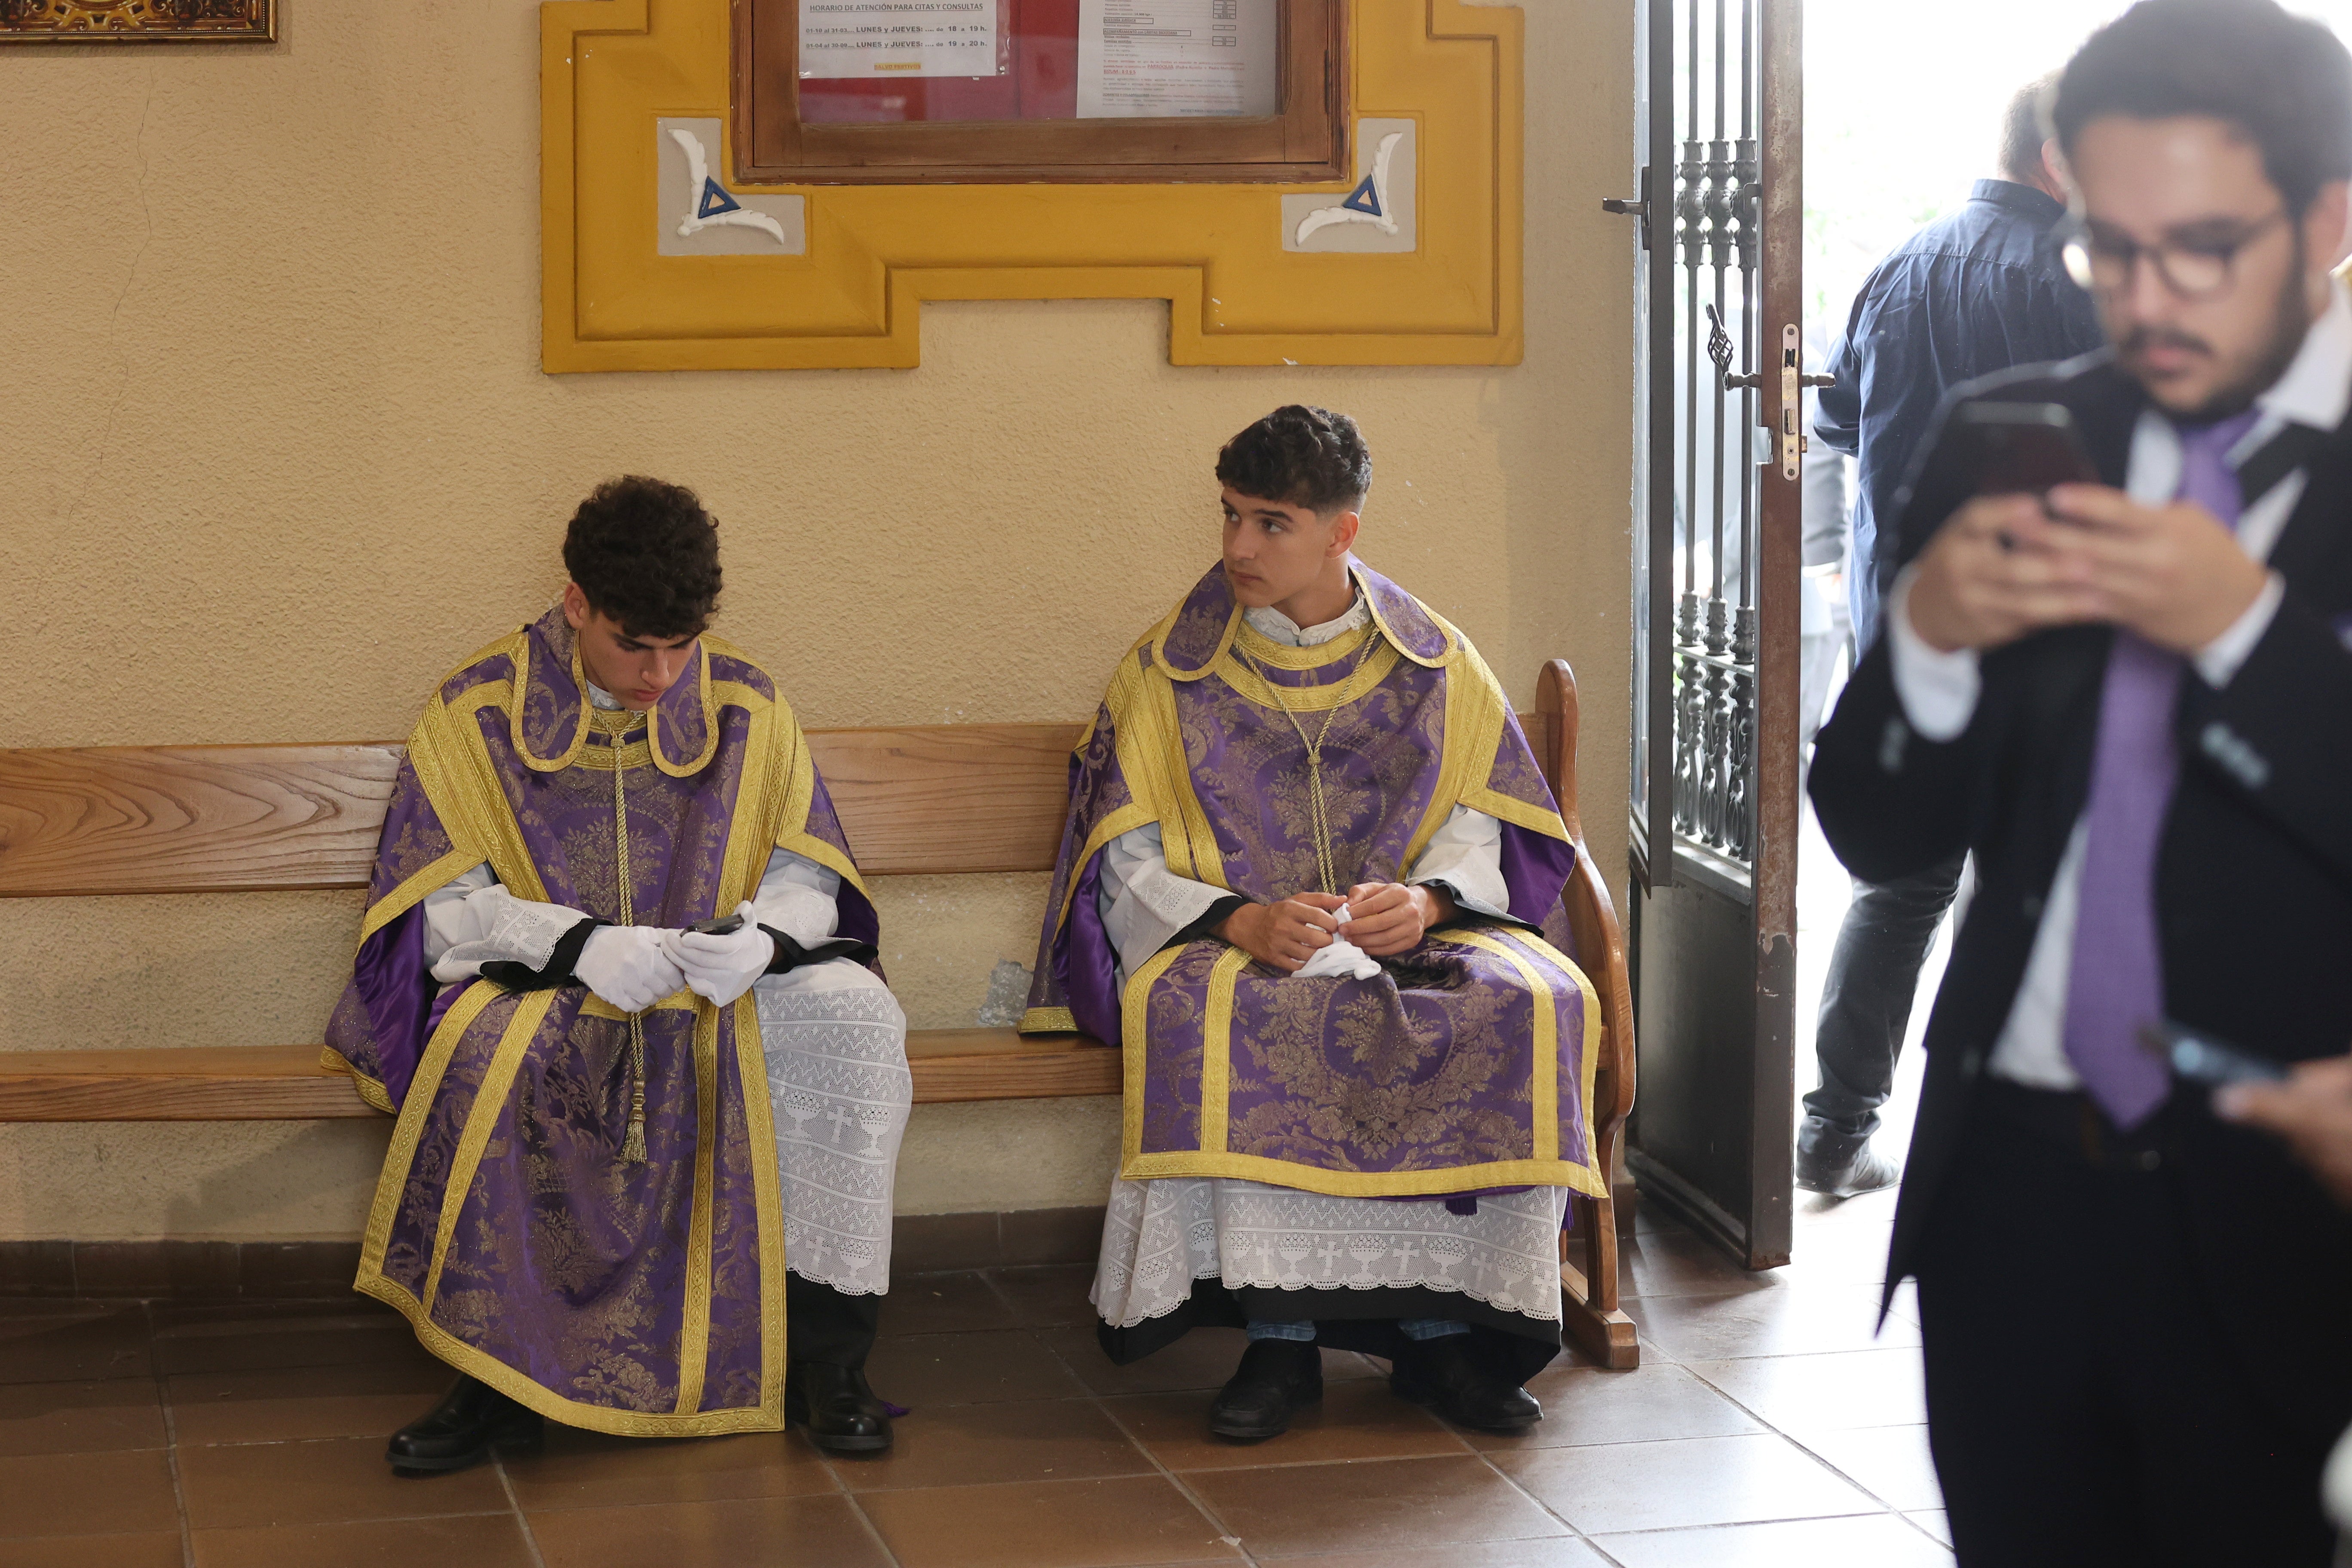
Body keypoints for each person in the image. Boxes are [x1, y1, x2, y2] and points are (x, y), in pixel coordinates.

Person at [1808, 2, 2352, 1561]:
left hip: (2295, 1203)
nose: (2145, 300)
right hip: (2010, 1198)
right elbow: (1878, 828)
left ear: (2327, 217)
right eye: (2108, 248)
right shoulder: (2014, 438)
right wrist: (1925, 642)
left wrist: (2243, 633)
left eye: (2202, 249)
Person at [1020, 406, 1607, 1441]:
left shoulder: (1433, 661)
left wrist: (1427, 903)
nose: (1239, 546)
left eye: (1272, 523)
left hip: (1412, 936)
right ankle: (1280, 1341)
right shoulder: (1168, 671)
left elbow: (1486, 822)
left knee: (1532, 999)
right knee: (1221, 1012)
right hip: (1236, 940)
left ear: (1343, 532)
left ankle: (1442, 1336)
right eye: (1231, 515)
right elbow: (1126, 858)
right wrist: (1238, 921)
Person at [323, 476, 912, 1470]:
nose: (661, 676)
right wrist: (575, 943)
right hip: (550, 980)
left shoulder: (747, 703)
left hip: (720, 979)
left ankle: (829, 1360)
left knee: (856, 1021)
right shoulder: (476, 710)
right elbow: (436, 907)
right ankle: (494, 1377)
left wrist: (764, 940)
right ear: (576, 603)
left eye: (682, 645)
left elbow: (809, 876)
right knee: (490, 1053)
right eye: (634, 644)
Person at [1801, 73, 2108, 1196]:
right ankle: (2015, 1145)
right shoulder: (2074, 280)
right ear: (2061, 159)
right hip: (2042, 637)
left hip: (1910, 627)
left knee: (1902, 885)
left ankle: (1834, 1130)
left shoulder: (1900, 265)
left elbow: (1833, 420)